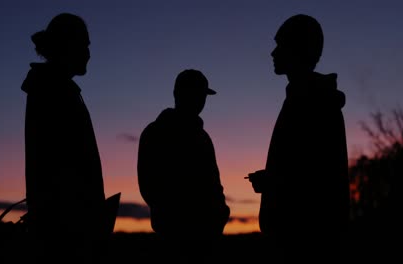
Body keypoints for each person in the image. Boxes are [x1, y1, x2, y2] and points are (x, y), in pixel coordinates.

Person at [247, 14, 350, 263]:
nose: (273, 53)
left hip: (305, 243)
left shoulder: (313, 102)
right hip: (298, 239)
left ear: (297, 50)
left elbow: (316, 178)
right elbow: (301, 166)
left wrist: (272, 183)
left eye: (280, 45)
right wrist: (271, 179)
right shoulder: (303, 99)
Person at [21, 13, 109, 263]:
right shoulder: (53, 91)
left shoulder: (54, 88)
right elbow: (61, 170)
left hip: (67, 229)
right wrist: (85, 225)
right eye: (86, 45)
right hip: (67, 235)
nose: (89, 53)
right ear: (68, 46)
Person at [137, 69, 230, 263]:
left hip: (207, 237)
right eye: (197, 94)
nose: (201, 101)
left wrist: (220, 213)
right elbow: (149, 186)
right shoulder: (157, 132)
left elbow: (214, 183)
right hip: (175, 238)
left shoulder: (203, 137)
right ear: (179, 94)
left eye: (203, 95)